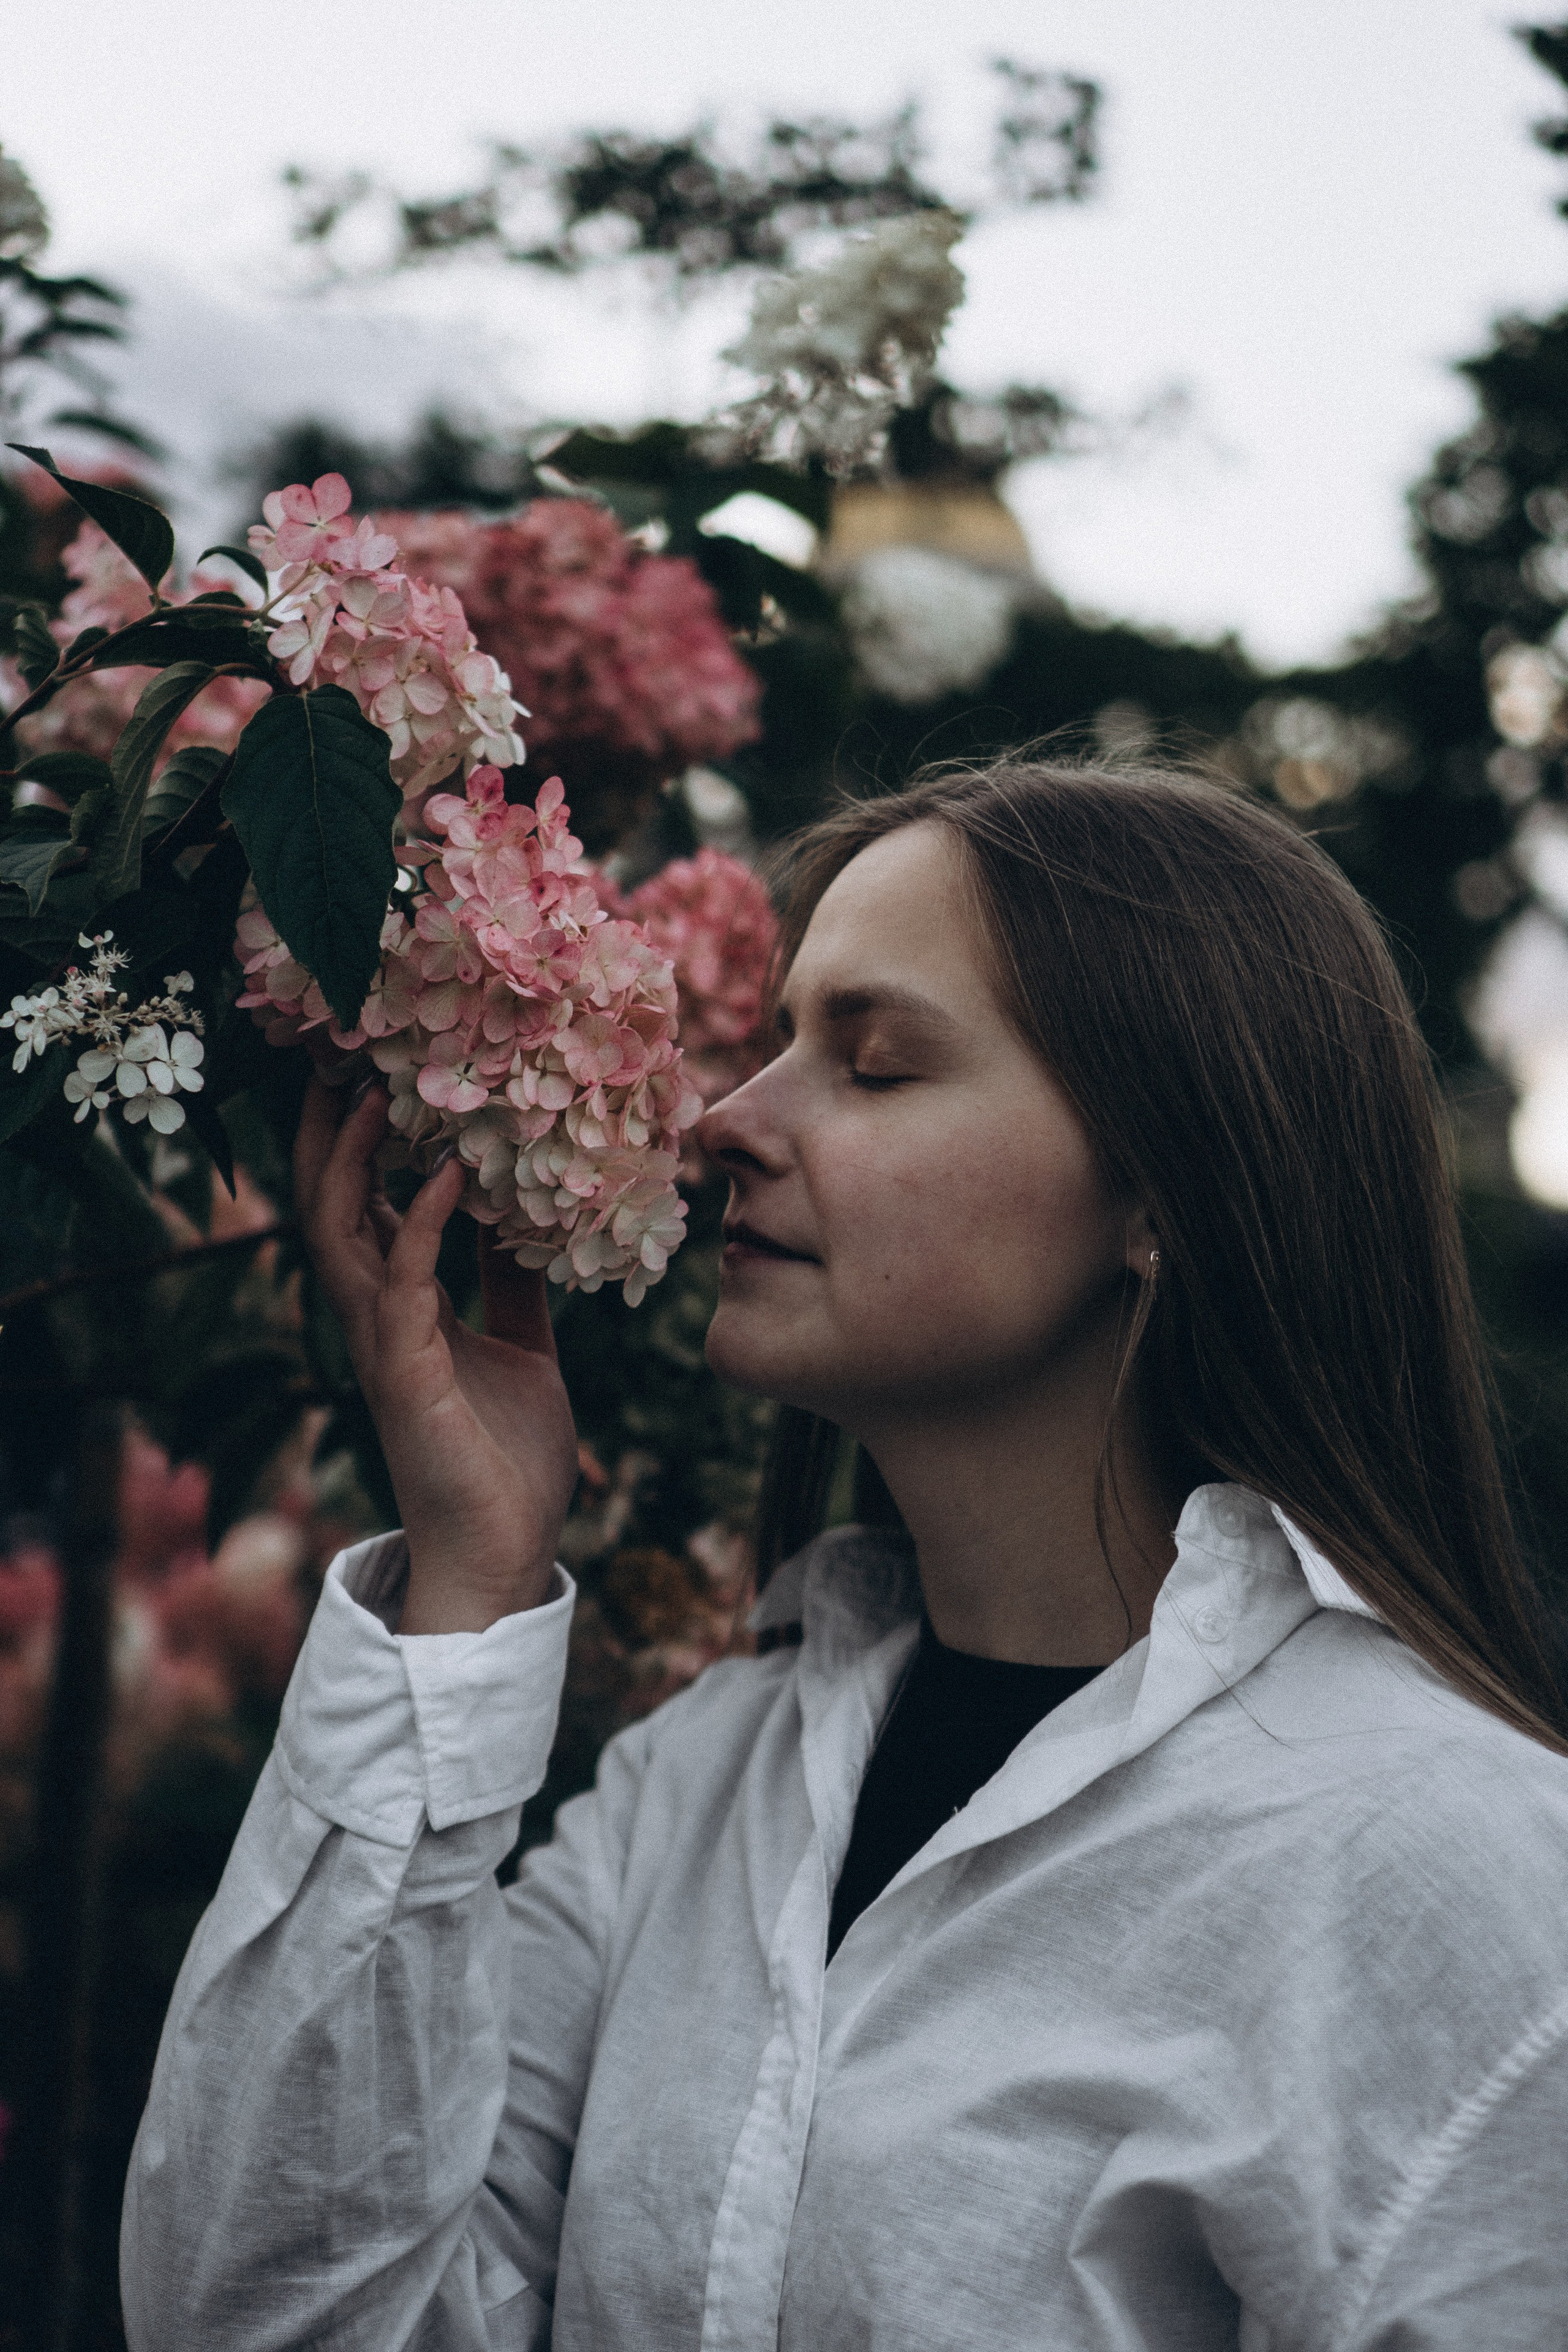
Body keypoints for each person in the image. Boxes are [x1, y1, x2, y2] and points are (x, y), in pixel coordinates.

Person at [122, 760, 1568, 2350]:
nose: (730, 1121)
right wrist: (465, 1587)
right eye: (780, 1044)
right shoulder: (697, 1789)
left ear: (1162, 1191)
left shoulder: (1451, 1869)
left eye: (873, 1069)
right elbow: (271, 2316)